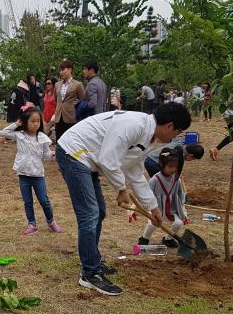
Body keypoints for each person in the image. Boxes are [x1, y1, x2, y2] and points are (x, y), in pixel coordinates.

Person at [57, 103, 192, 296]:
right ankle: (89, 273)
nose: (174, 137)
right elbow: (107, 158)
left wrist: (153, 207)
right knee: (90, 215)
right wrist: (121, 189)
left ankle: (92, 261)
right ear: (169, 125)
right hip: (74, 152)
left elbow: (134, 172)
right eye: (177, 131)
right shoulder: (134, 125)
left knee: (99, 212)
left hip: (89, 159)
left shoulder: (149, 137)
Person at [0, 105, 63, 236]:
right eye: (32, 121)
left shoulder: (42, 138)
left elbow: (45, 154)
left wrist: (52, 155)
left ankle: (51, 221)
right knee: (27, 201)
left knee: (44, 200)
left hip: (37, 175)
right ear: (25, 122)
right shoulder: (20, 135)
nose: (35, 124)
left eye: (38, 121)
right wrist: (16, 123)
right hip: (23, 174)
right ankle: (32, 224)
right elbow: (3, 132)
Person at [137, 148, 188, 248]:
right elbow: (146, 193)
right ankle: (144, 239)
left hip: (171, 209)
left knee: (178, 223)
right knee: (152, 224)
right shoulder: (155, 180)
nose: (173, 169)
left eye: (175, 167)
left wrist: (183, 209)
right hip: (157, 208)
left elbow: (179, 194)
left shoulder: (176, 180)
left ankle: (168, 239)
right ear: (161, 165)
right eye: (170, 166)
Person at [54, 60, 85, 140]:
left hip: (71, 118)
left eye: (63, 70)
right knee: (59, 141)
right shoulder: (57, 84)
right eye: (60, 70)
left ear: (70, 69)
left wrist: (76, 105)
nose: (61, 72)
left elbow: (83, 100)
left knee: (70, 142)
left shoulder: (78, 84)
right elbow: (56, 99)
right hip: (58, 117)